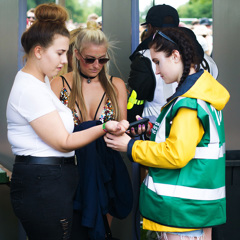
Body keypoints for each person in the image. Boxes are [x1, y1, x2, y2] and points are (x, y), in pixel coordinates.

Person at [6, 3, 128, 240]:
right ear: (39, 51)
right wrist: (103, 126)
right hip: (43, 183)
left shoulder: (39, 83)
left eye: (66, 53)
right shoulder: (32, 88)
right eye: (60, 53)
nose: (64, 60)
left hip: (52, 181)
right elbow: (63, 141)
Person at [105, 27, 230, 240]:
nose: (155, 70)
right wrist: (150, 134)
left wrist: (130, 146)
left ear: (175, 56)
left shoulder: (188, 104)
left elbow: (175, 154)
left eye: (157, 61)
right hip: (192, 212)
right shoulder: (201, 98)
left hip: (182, 214)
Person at [51, 21, 132, 239]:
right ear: (76, 54)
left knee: (102, 231)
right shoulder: (59, 84)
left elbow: (122, 128)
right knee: (72, 230)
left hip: (106, 167)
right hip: (71, 167)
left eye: (102, 59)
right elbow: (51, 130)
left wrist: (126, 129)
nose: (96, 65)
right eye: (90, 59)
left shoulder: (116, 85)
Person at [127, 4, 219, 125]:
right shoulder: (207, 60)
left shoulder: (145, 58)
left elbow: (135, 102)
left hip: (158, 134)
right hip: (204, 128)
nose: (158, 70)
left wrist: (130, 128)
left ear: (150, 27)